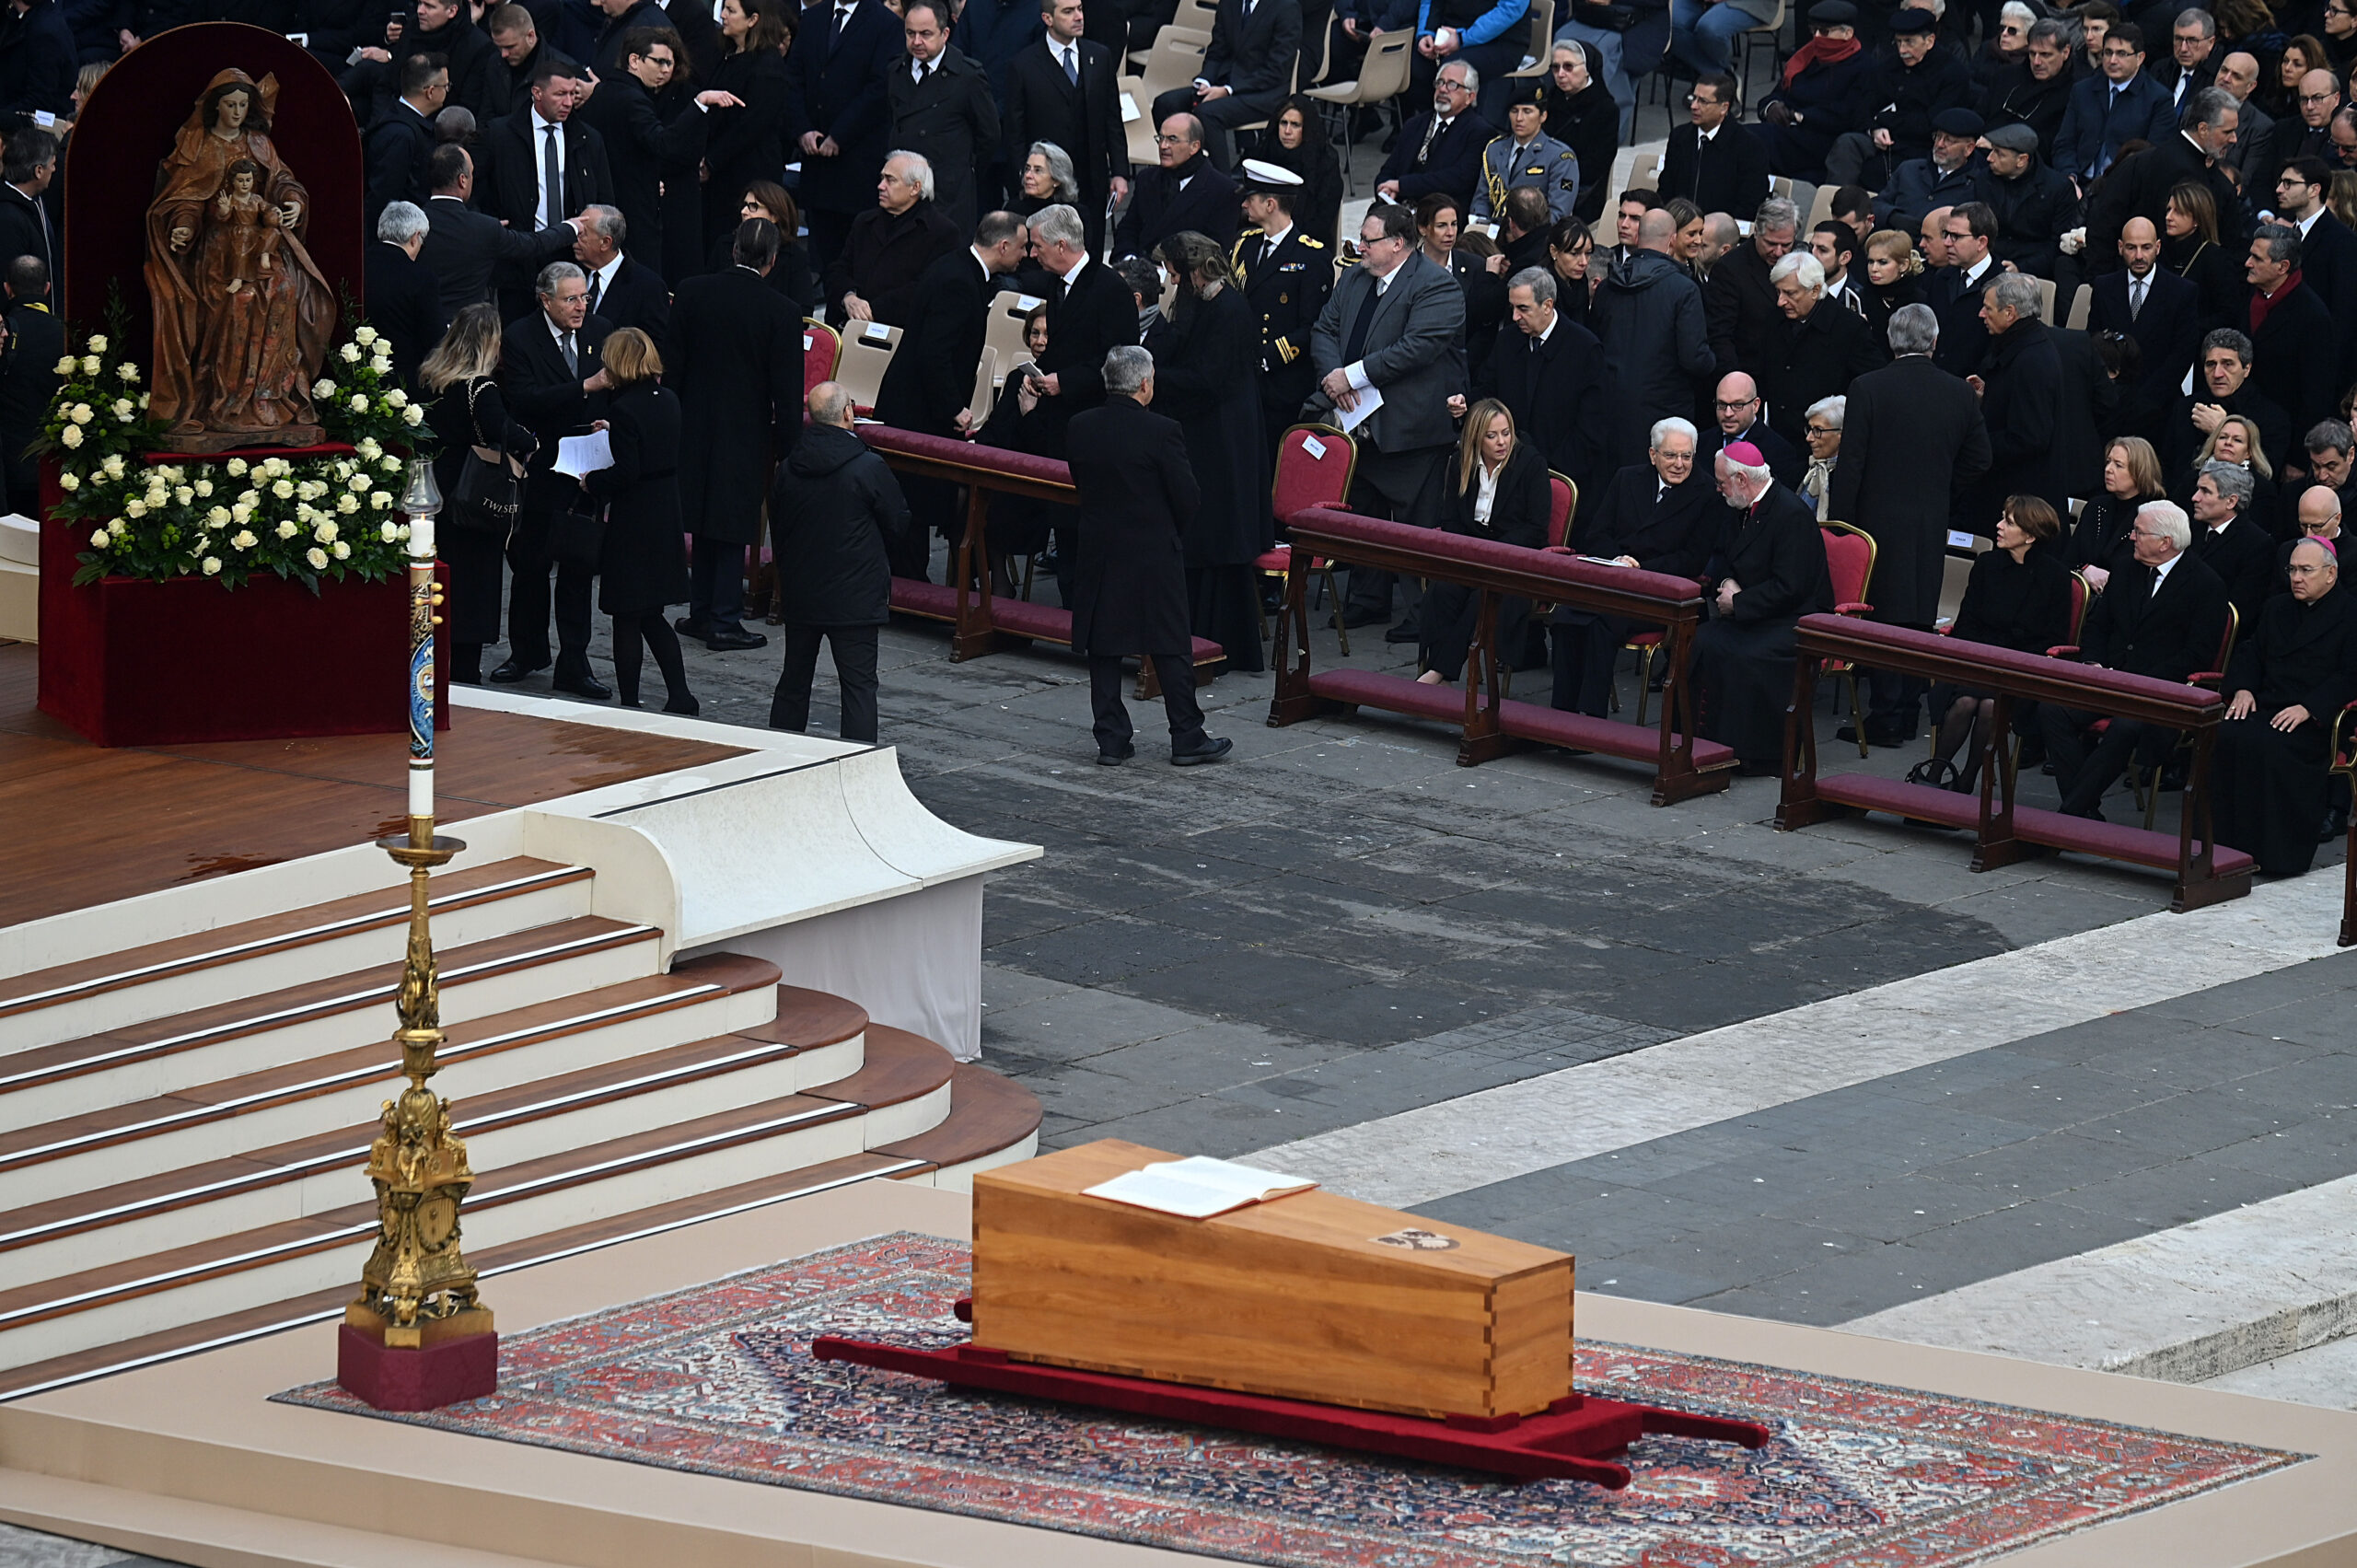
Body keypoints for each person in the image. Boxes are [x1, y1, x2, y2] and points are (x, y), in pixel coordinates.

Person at [1831, 301, 1991, 742]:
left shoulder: (1868, 386)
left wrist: (1843, 528)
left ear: (1890, 340)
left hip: (1875, 524)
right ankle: (1907, 712)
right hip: (1930, 519)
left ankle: (1885, 717)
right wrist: (1943, 490)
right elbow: (1980, 459)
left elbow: (1852, 464)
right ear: (1935, 342)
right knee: (1919, 613)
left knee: (1883, 615)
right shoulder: (1959, 392)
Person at [1306, 202, 1468, 639]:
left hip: (1410, 429)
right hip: (1356, 421)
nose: (1359, 248)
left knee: (1415, 524)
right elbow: (1323, 329)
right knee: (1365, 514)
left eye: (1368, 241)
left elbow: (1417, 348)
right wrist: (1333, 380)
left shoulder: (1437, 286)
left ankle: (1421, 613)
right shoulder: (1356, 278)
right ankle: (1367, 599)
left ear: (1398, 243)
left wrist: (1352, 374)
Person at [1066, 344, 1232, 766]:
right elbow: (1188, 497)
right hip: (1152, 552)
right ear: (1145, 384)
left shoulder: (1080, 426)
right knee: (1170, 645)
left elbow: (1081, 483)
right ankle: (1187, 735)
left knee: (1103, 646)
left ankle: (1111, 739)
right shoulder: (1162, 431)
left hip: (1099, 550)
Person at [2040, 499, 2231, 819]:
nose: (2131, 537)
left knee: (2126, 729)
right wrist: (2094, 663)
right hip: (2109, 679)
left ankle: (2071, 812)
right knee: (2052, 710)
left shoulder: (2206, 585)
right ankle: (2083, 808)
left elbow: (2196, 654)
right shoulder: (2127, 567)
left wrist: (2143, 679)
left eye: (2139, 532)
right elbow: (2098, 626)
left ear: (2165, 542)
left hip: (2159, 691)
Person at [1142, 229, 1271, 671]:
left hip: (1224, 440)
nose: (1174, 283)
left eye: (1177, 274)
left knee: (1219, 538)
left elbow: (1209, 380)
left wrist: (1157, 376)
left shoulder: (1229, 310)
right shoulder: (1202, 304)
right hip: (1207, 434)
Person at [671, 216, 804, 650]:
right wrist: (789, 449)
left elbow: (673, 368)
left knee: (705, 521)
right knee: (731, 524)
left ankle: (701, 611)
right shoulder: (781, 312)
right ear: (772, 261)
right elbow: (786, 392)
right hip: (744, 431)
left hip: (692, 423)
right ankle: (725, 620)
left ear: (733, 251)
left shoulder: (691, 292)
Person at [876, 210, 1028, 572]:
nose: (1026, 255)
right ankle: (907, 581)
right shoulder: (960, 282)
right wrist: (954, 409)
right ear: (1003, 245)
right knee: (912, 498)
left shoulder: (956, 266)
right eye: (1022, 247)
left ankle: (908, 578)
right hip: (918, 411)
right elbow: (935, 355)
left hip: (916, 402)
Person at [770, 381, 911, 743]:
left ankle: (779, 754)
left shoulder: (789, 466)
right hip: (855, 595)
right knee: (859, 687)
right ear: (848, 412)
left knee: (794, 680)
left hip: (803, 590)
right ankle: (857, 763)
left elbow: (779, 525)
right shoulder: (868, 466)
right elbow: (898, 522)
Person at [496, 260, 614, 696]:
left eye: (584, 296)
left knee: (579, 570)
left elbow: (613, 390)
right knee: (530, 565)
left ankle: (575, 662)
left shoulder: (601, 330)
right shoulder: (521, 336)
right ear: (545, 299)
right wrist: (585, 388)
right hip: (541, 468)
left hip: (586, 472)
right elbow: (524, 400)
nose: (581, 306)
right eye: (570, 299)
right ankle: (526, 651)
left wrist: (606, 420)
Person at [1547, 416, 1718, 715]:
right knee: (1565, 617)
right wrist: (1618, 561)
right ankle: (1561, 713)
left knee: (1601, 624)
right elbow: (1597, 533)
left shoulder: (1705, 492)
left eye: (1686, 456)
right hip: (1614, 580)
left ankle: (1589, 718)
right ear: (1653, 455)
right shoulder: (1627, 478)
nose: (1679, 463)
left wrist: (1639, 567)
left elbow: (1693, 558)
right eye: (1670, 455)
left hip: (1663, 595)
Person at [2212, 538, 2356, 874]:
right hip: (2266, 707)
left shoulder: (2350, 615)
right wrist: (2244, 688)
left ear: (2331, 574)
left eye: (2306, 570)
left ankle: (2276, 856)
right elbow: (2251, 653)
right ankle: (2221, 847)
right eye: (2292, 569)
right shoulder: (2277, 607)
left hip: (2314, 720)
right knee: (2224, 735)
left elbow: (2350, 676)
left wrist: (2309, 708)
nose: (2297, 578)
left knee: (2270, 747)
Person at [572, 326, 694, 713]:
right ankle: (680, 694)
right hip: (665, 511)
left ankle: (629, 701)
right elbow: (652, 443)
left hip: (635, 519)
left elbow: (627, 472)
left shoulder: (624, 408)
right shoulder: (668, 399)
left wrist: (592, 481)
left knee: (626, 614)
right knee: (652, 612)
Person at [1917, 494, 2075, 792]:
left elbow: (2053, 639)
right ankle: (1934, 775)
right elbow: (1967, 623)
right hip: (1978, 660)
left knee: (1991, 705)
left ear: (2030, 536)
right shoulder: (1987, 564)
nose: (1999, 526)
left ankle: (1967, 779)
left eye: (2009, 522)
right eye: (2003, 517)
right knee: (1965, 701)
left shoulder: (2055, 577)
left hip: (2021, 669)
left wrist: (2011, 659)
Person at [1694, 441, 1834, 773]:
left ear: (1742, 479)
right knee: (1700, 640)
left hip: (1796, 619)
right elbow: (1727, 555)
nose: (1718, 489)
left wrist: (1739, 602)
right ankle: (1700, 741)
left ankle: (1755, 755)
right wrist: (1726, 582)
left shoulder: (1791, 515)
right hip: (1757, 612)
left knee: (1746, 658)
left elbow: (1791, 586)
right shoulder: (1739, 505)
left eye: (1722, 483)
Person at [421, 305, 531, 687]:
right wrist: (531, 440)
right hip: (473, 494)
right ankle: (466, 671)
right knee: (473, 586)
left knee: (440, 580)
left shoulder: (432, 379)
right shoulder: (480, 388)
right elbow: (502, 431)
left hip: (437, 485)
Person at [575, 28, 738, 279]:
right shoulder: (633, 100)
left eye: (670, 63)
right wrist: (699, 103)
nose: (665, 69)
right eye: (659, 61)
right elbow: (664, 143)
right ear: (634, 60)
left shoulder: (603, 93)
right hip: (634, 213)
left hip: (605, 205)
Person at [1411, 397, 1549, 687]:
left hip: (1512, 566)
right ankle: (1444, 676)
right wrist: (1472, 551)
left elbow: (1536, 530)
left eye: (1506, 433)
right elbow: (1450, 520)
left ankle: (1439, 672)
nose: (1502, 442)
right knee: (1442, 591)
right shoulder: (1461, 462)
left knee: (1483, 598)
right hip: (1471, 557)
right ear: (1476, 437)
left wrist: (1492, 550)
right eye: (1492, 435)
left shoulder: (1530, 464)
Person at [1591, 206, 1714, 474]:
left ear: (1637, 239)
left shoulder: (1607, 287)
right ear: (1672, 241)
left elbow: (1596, 344)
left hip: (1609, 409)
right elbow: (1695, 358)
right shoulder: (1684, 290)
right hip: (1664, 414)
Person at [1000, 0, 1128, 255]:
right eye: (1068, 12)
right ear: (1048, 18)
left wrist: (1120, 172)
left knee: (1090, 252)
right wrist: (1021, 182)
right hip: (1047, 186)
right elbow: (1014, 132)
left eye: (1079, 9)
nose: (1078, 17)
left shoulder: (1099, 57)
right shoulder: (1023, 65)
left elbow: (1112, 119)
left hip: (1092, 178)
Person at [783, 0, 901, 274]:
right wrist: (802, 129)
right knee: (822, 249)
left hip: (857, 162)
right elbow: (794, 78)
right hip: (815, 160)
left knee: (856, 252)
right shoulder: (812, 18)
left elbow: (878, 89)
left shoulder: (885, 24)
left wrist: (839, 135)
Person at [1466, 267, 1607, 496]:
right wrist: (1465, 404)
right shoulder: (1507, 341)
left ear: (1548, 305)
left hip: (1561, 479)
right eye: (1512, 308)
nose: (1514, 317)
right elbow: (1488, 391)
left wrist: (1548, 469)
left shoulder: (1585, 349)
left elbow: (1592, 426)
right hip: (1508, 475)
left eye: (1523, 309)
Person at [1233, 160, 1332, 480]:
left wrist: (1267, 357)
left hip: (1281, 381)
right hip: (1241, 377)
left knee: (1272, 470)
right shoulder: (1245, 243)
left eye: (1251, 197)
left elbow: (1314, 325)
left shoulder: (1311, 256)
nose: (1244, 203)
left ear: (1270, 204)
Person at [420, 143, 583, 317]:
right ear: (462, 180)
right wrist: (570, 228)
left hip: (419, 324)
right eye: (472, 173)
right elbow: (533, 244)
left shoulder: (412, 223)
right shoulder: (485, 229)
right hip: (464, 333)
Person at [1825, 8, 1972, 191]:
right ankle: (1836, 206)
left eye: (1909, 42)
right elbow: (1863, 105)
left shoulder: (1952, 73)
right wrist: (1874, 129)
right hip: (1882, 140)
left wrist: (1885, 120)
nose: (1902, 50)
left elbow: (1932, 124)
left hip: (1921, 147)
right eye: (1899, 42)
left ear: (1930, 41)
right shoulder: (1889, 66)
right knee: (1847, 144)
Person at [474, 58, 612, 248]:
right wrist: (489, 226)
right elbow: (476, 188)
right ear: (537, 93)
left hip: (573, 249)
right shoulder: (499, 135)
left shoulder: (589, 139)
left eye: (572, 94)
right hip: (518, 248)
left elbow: (605, 198)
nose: (568, 102)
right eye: (561, 94)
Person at [888, 0, 998, 232]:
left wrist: (962, 170)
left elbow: (988, 135)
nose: (917, 42)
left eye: (926, 34)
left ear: (945, 33)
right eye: (910, 33)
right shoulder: (895, 72)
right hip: (905, 192)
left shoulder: (968, 76)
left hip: (949, 195)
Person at [1150, 0, 1299, 168]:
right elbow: (1217, 50)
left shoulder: (1286, 7)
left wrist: (1229, 90)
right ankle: (1184, 166)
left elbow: (1277, 69)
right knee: (1166, 103)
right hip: (1225, 82)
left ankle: (1221, 182)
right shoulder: (1229, 3)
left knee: (1207, 114)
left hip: (1266, 92)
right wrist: (1205, 81)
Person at [1965, 273, 2065, 520]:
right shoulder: (2018, 346)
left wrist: (1974, 445)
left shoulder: (2033, 360)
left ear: (2009, 313)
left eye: (1988, 308)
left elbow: (2030, 436)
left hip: (2022, 502)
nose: (1981, 314)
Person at [1761, 250, 1884, 444]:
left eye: (1790, 293)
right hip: (1778, 436)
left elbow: (1871, 383)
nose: (1780, 301)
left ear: (1815, 290)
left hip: (1824, 441)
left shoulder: (1849, 328)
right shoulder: (1775, 319)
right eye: (1778, 292)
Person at [827, 151, 961, 324]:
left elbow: (927, 289)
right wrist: (849, 297)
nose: (881, 186)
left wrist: (872, 310)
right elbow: (840, 268)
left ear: (915, 187)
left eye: (890, 180)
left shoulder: (942, 232)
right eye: (882, 178)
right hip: (850, 323)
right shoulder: (865, 222)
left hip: (900, 331)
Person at [2088, 215, 2202, 410]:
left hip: (2159, 405)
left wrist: (2147, 400)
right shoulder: (2104, 286)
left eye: (2146, 247)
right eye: (2131, 248)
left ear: (2157, 247)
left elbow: (2182, 354)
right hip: (2110, 402)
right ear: (2120, 247)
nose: (2139, 256)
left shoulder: (2182, 291)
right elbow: (2093, 340)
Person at [1754, 0, 1873, 182]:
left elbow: (1847, 114)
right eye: (1813, 30)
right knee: (1739, 138)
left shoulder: (1862, 67)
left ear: (1847, 33)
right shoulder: (1805, 57)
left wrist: (1800, 116)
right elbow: (1777, 92)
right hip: (1786, 131)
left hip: (1821, 139)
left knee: (1751, 141)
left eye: (1824, 32)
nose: (1817, 37)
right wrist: (1771, 107)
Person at [2243, 222, 2338, 443]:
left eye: (2257, 258)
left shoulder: (2313, 317)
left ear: (2282, 267)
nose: (2248, 263)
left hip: (2283, 437)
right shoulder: (2249, 295)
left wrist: (2298, 459)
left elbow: (2316, 397)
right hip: (2245, 426)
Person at [2052, 19, 2174, 184]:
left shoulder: (2158, 99)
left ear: (2140, 58)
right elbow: (2064, 144)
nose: (2112, 60)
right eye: (2108, 52)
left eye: (2122, 54)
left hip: (2125, 186)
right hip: (2078, 182)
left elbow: (2156, 157)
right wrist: (2070, 177)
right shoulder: (2082, 90)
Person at [2168, 328, 2291, 488]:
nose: (2217, 373)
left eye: (2228, 364)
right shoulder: (2186, 408)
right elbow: (2169, 467)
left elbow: (2266, 475)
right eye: (2210, 364)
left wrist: (2220, 431)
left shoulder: (2272, 417)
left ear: (2246, 369)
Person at [1114, 112, 1240, 257]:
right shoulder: (1147, 179)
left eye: (1172, 139)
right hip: (1140, 269)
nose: (1163, 146)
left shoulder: (1223, 190)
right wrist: (1129, 258)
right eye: (1160, 138)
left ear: (1194, 146)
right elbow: (1128, 228)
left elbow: (1216, 251)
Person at [1376, 59, 1491, 211]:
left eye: (1452, 85)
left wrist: (1402, 185)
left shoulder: (1479, 131)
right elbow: (1390, 168)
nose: (1443, 89)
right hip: (1399, 207)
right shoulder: (1415, 124)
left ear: (1470, 97)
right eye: (1440, 82)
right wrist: (1384, 187)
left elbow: (1458, 179)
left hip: (1441, 212)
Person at [1660, 71, 1769, 222]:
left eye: (1703, 102)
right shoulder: (1679, 137)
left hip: (1721, 235)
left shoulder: (1749, 147)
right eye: (1693, 98)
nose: (1693, 106)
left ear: (1724, 108)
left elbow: (1749, 206)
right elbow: (1666, 191)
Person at [1471, 77, 1579, 227]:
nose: (1519, 118)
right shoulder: (1495, 149)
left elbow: (1558, 213)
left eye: (1527, 111)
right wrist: (1480, 224)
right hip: (1493, 232)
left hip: (1534, 237)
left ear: (1543, 116)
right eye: (1514, 111)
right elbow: (1482, 198)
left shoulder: (1560, 157)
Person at [364, 201, 448, 391]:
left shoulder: (358, 265)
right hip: (403, 386)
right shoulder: (422, 278)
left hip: (356, 376)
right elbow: (434, 338)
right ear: (415, 237)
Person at [0, 254, 60, 519]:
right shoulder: (66, 334)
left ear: (7, 288)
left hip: (10, 467)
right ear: (47, 288)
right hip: (57, 464)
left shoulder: (7, 334)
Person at [2072, 434, 2168, 587]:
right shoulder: (2096, 506)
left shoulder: (2155, 514)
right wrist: (2085, 569)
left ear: (2139, 471)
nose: (2108, 469)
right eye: (2108, 462)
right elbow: (2071, 555)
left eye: (2118, 465)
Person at [1981, 122, 2076, 278]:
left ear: (2021, 160)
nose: (1989, 158)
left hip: (2034, 272)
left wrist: (2022, 268)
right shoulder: (1985, 179)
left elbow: (2058, 243)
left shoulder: (2058, 189)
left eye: (1999, 153)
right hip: (1989, 261)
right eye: (1992, 150)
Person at [2189, 459, 2275, 628]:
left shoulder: (2258, 545)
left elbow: (2241, 608)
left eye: (2205, 491)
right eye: (2197, 489)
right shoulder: (2189, 530)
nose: (2195, 498)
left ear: (2231, 501)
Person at [1872, 106, 1988, 231]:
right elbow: (1876, 205)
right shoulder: (1909, 169)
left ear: (1969, 148)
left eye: (1949, 140)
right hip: (1894, 242)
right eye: (1938, 137)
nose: (1939, 144)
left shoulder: (1978, 185)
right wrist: (1893, 217)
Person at [365, 52, 447, 226]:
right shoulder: (401, 136)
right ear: (430, 92)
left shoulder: (399, 120)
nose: (447, 91)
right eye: (446, 86)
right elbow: (383, 197)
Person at [570, 204, 670, 340]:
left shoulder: (648, 286)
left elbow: (653, 347)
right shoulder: (569, 274)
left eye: (582, 233)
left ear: (605, 242)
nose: (575, 239)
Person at [1981, 17, 2073, 162]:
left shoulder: (2073, 93)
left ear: (2065, 52)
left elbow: (2050, 143)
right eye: (2032, 53)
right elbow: (1980, 113)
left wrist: (1998, 146)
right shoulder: (2005, 76)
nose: (2037, 62)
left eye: (2045, 55)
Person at [1543, 41, 1617, 220]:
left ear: (1587, 69)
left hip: (1578, 189)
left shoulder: (1605, 108)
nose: (1560, 74)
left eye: (1569, 67)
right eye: (1555, 67)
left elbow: (1596, 163)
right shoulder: (1550, 98)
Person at [1264, 94, 1344, 248]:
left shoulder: (1324, 162)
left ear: (1307, 128)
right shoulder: (1266, 152)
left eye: (1295, 125)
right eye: (1283, 123)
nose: (1287, 131)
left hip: (1307, 244)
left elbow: (1323, 219)